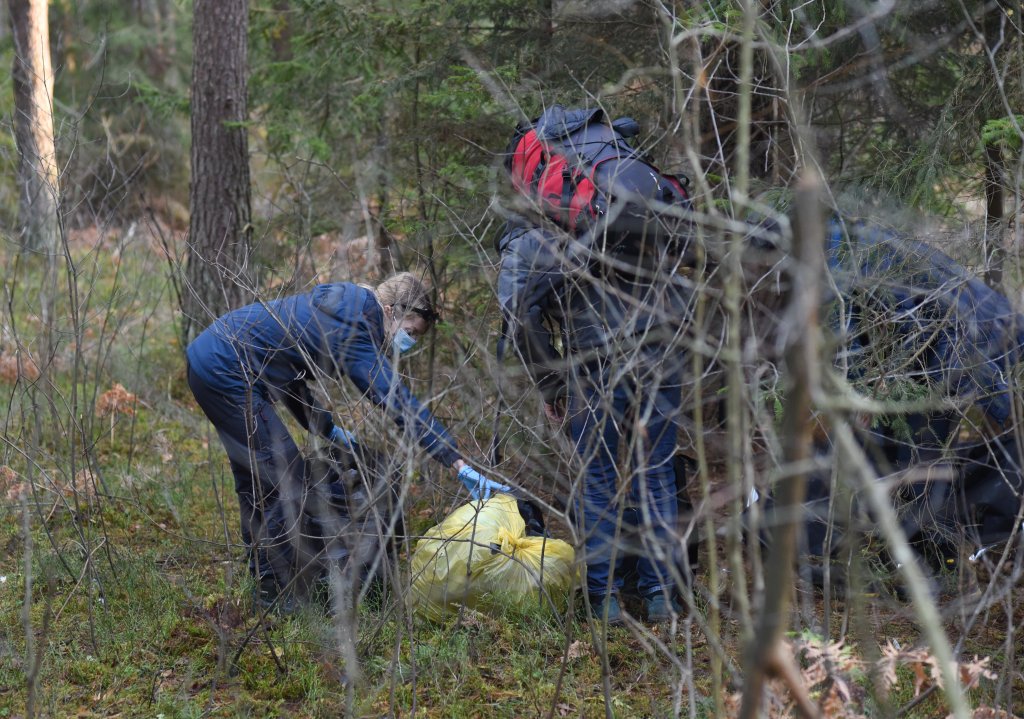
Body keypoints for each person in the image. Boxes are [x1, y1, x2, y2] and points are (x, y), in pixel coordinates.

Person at [186, 272, 507, 612]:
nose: (408, 342)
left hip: (214, 359)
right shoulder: (355, 328)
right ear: (390, 309)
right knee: (284, 476)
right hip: (227, 370)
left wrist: (325, 428)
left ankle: (267, 584)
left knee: (259, 478)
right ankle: (277, 594)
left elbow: (288, 377)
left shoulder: (342, 308)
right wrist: (454, 459)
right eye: (410, 332)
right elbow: (395, 400)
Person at [496, 214, 691, 625]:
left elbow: (521, 317)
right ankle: (660, 594)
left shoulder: (528, 238)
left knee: (596, 478)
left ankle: (605, 599)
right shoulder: (618, 201)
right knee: (655, 472)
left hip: (595, 361)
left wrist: (551, 385)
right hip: (662, 350)